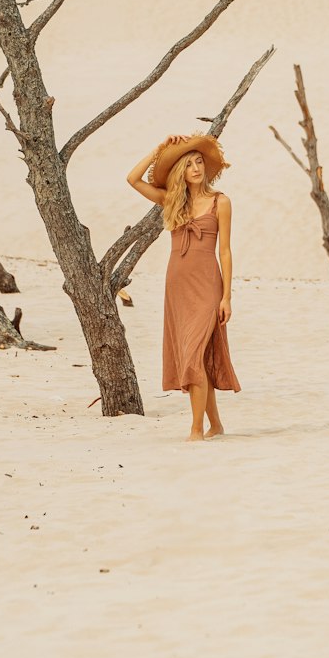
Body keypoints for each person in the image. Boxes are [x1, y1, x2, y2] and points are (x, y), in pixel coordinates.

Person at [126, 134, 241, 440]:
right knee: (197, 358)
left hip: (207, 286)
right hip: (177, 285)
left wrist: (227, 296)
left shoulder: (221, 202)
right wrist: (158, 149)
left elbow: (225, 252)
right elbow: (132, 179)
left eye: (199, 161)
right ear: (180, 170)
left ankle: (195, 429)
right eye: (189, 163)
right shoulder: (172, 200)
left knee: (192, 356)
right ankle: (215, 425)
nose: (196, 168)